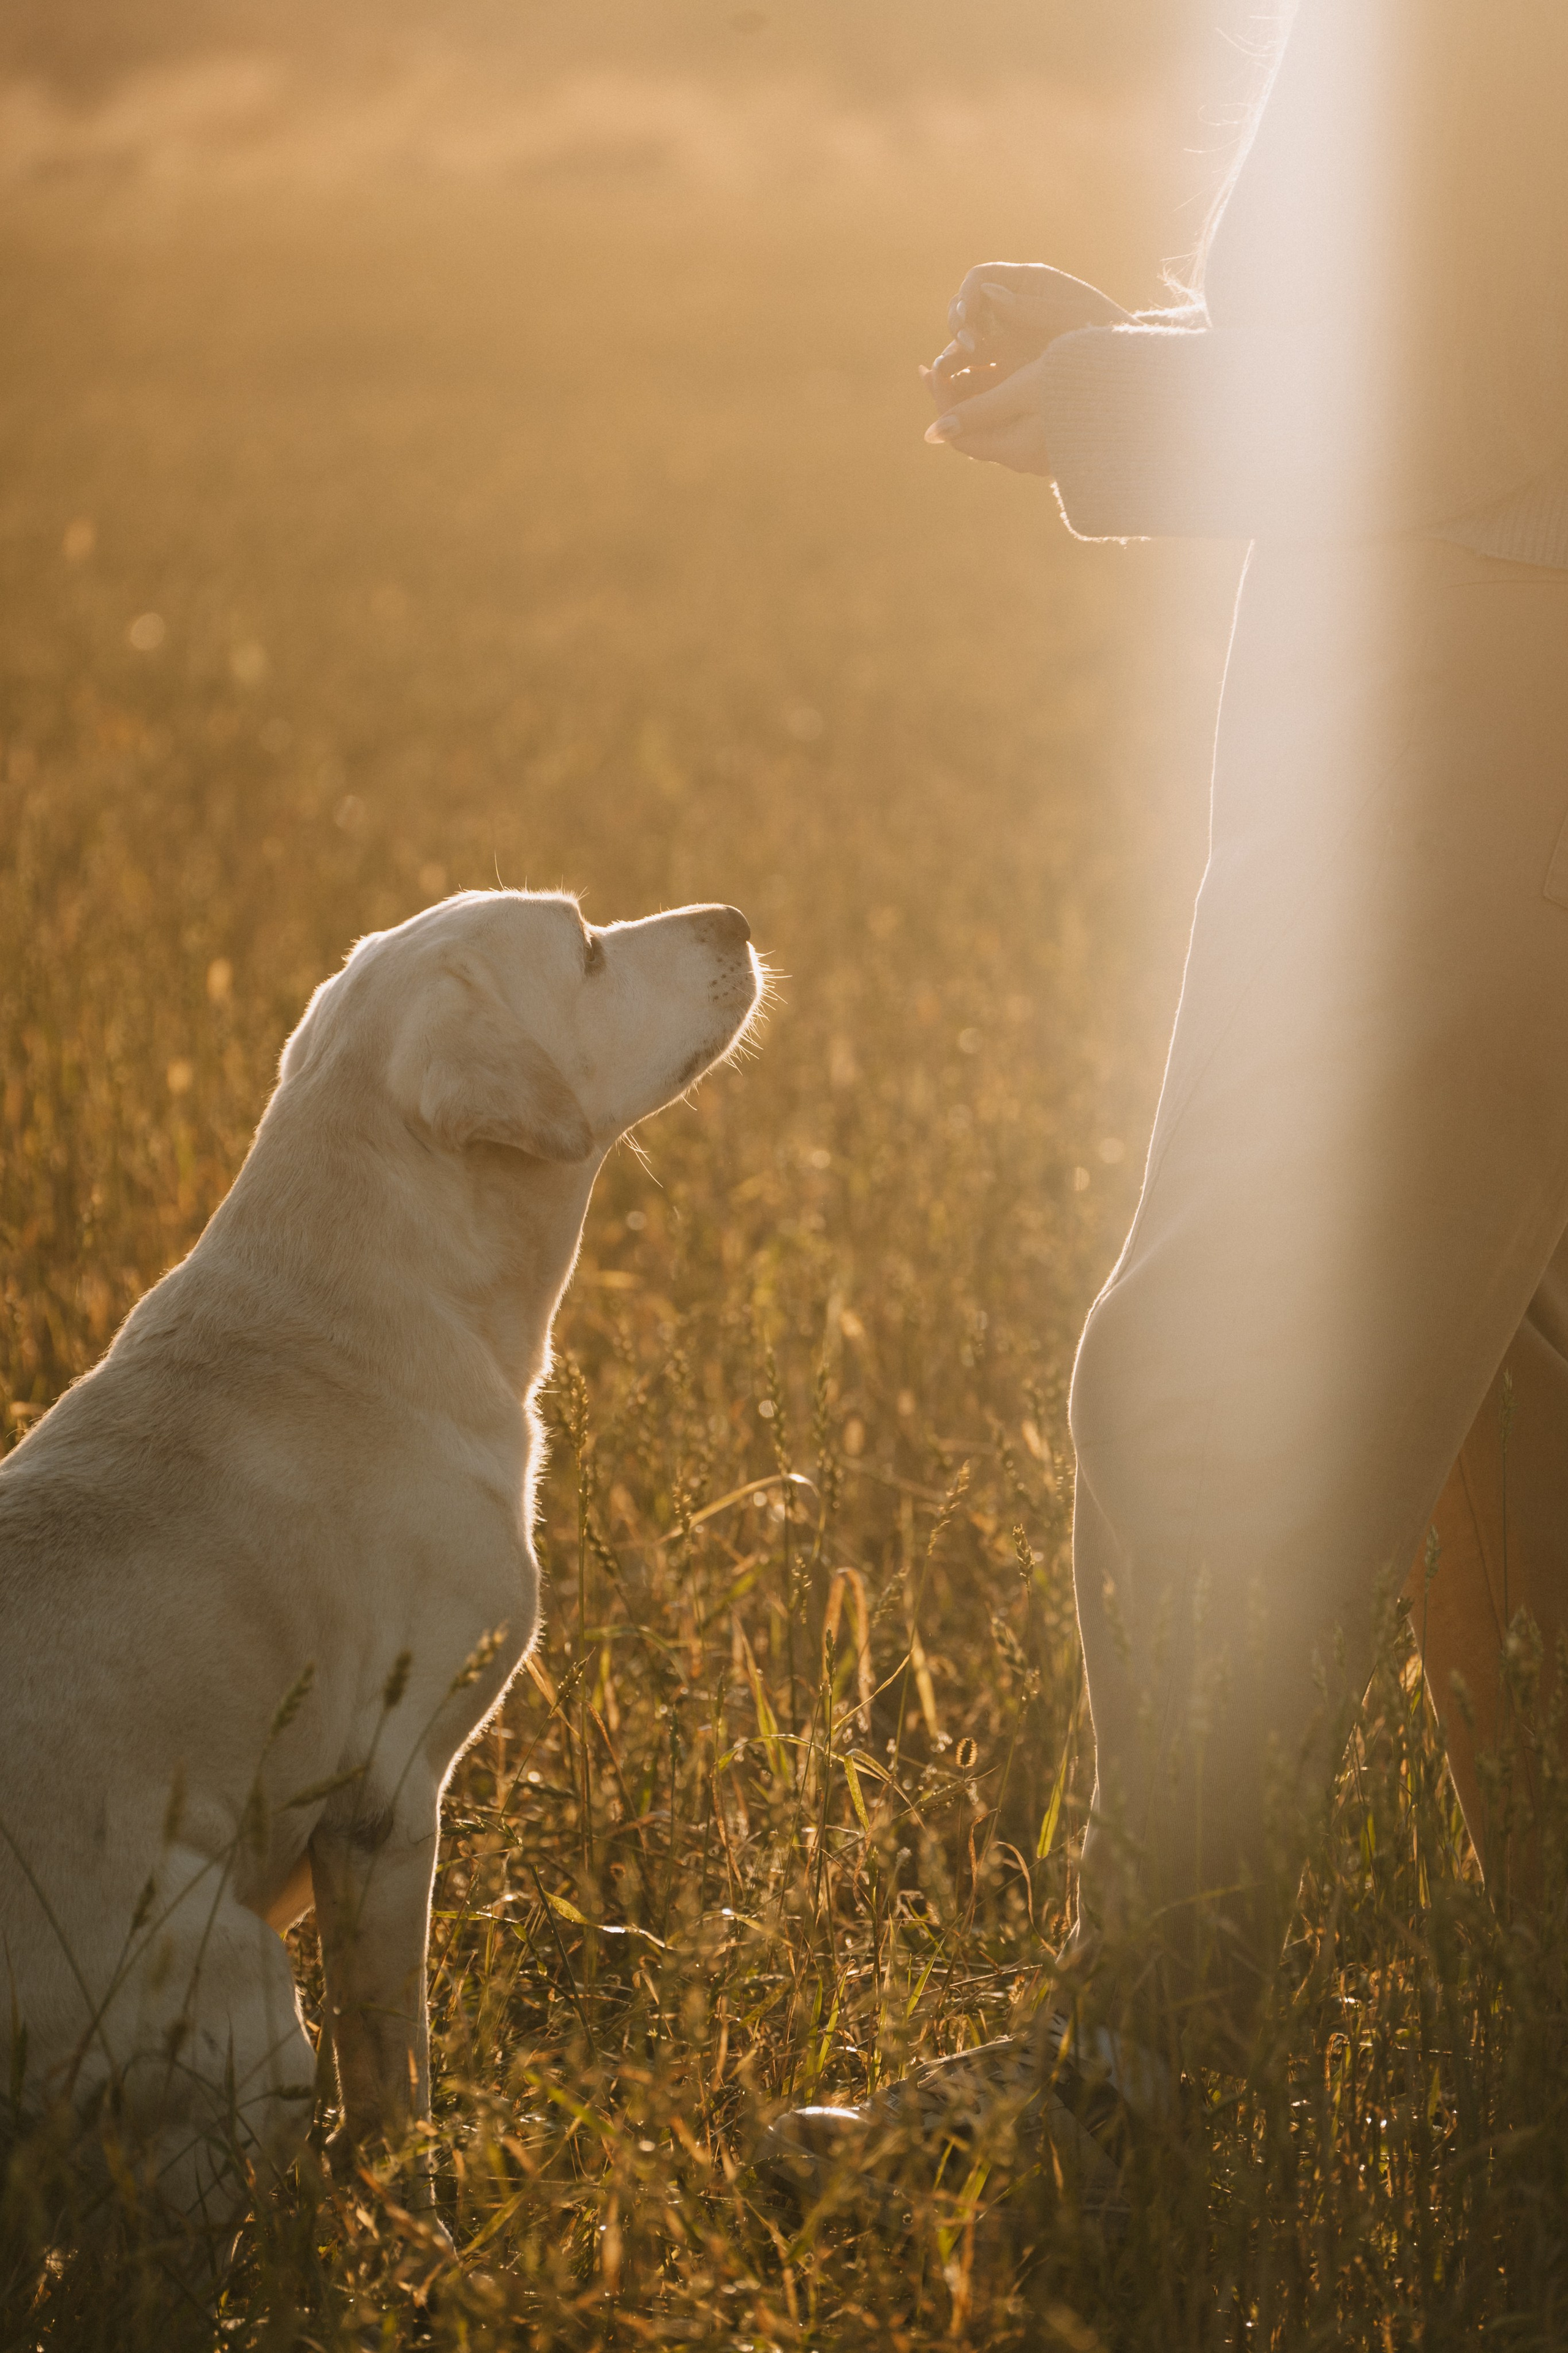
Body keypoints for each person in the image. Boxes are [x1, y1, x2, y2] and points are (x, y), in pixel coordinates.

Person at [759, 0, 1568, 2226]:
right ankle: (1532, 2022)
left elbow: (1465, 397)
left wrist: (1118, 400)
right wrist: (1143, 346)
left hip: (1472, 727)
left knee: (1213, 1385)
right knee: (1513, 1389)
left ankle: (1131, 2083)